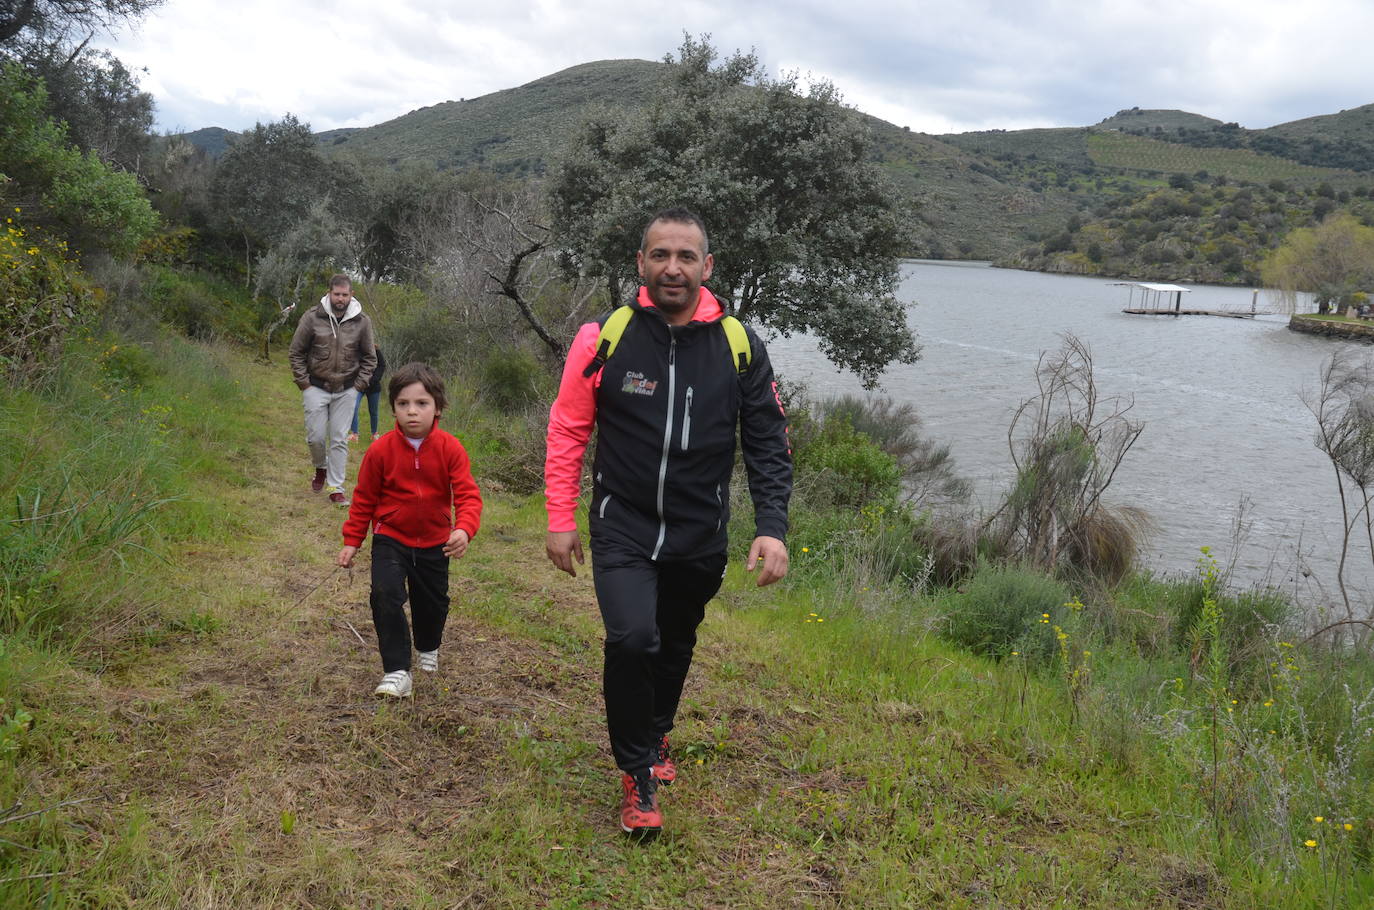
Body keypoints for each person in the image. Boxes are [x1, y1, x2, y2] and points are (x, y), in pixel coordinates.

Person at [544, 207, 792, 836]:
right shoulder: (604, 337)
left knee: (675, 641)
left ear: (707, 267)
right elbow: (570, 426)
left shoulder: (739, 345)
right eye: (661, 255)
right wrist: (559, 514)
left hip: (699, 532)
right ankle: (636, 773)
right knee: (633, 640)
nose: (673, 268)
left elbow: (767, 439)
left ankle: (654, 734)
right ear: (641, 264)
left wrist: (772, 526)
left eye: (686, 257)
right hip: (621, 523)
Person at [337, 362, 483, 698]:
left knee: (432, 604)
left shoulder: (451, 449)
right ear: (393, 409)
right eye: (403, 404)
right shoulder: (380, 450)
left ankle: (428, 648)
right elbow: (363, 499)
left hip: (435, 543)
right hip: (391, 538)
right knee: (385, 595)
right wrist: (352, 541)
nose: (412, 412)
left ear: (438, 408)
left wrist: (464, 529)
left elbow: (467, 496)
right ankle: (397, 671)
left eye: (421, 404)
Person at [289, 274, 377, 506]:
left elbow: (370, 358)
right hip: (315, 386)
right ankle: (320, 467)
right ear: (329, 293)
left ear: (351, 295)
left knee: (339, 439)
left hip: (347, 388)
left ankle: (336, 488)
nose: (340, 299)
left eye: (344, 295)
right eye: (336, 294)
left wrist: (359, 386)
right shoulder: (312, 317)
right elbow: (296, 352)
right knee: (315, 437)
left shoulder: (362, 321)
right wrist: (304, 384)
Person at [349, 344, 387, 443]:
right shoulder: (355, 349)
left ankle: (374, 434)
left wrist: (374, 379)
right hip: (359, 385)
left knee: (373, 411)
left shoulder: (375, 350)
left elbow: (382, 365)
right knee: (354, 407)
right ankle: (354, 434)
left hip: (373, 386)